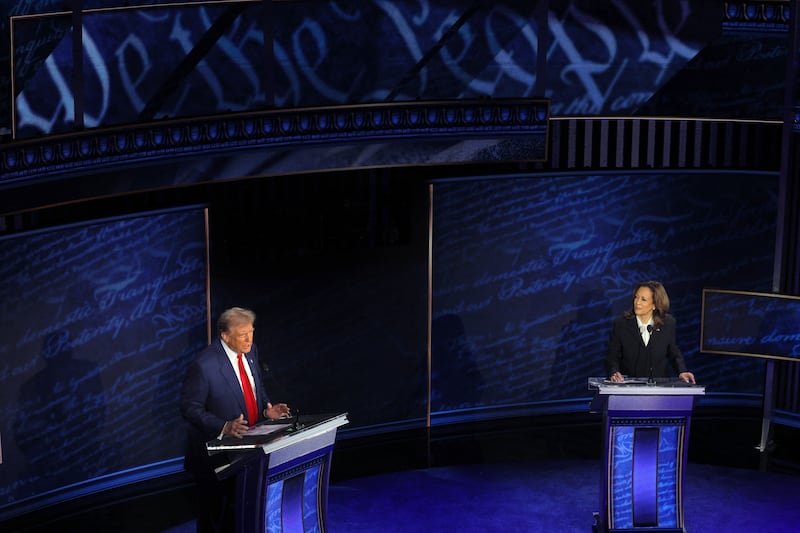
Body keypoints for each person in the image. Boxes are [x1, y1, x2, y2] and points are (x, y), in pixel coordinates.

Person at [181, 307, 290, 533]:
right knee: (215, 520)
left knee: (241, 516)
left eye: (251, 332)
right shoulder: (204, 365)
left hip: (248, 450)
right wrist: (224, 426)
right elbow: (189, 408)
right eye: (242, 334)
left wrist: (266, 411)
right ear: (225, 335)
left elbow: (254, 388)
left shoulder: (251, 352)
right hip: (214, 457)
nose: (249, 339)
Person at [606, 281, 696, 384]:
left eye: (643, 299)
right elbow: (612, 357)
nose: (637, 302)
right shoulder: (621, 324)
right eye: (636, 297)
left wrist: (681, 371)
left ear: (655, 304)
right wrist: (614, 372)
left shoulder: (667, 323)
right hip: (628, 387)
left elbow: (673, 351)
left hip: (658, 388)